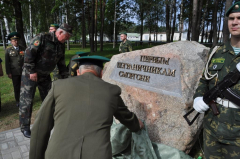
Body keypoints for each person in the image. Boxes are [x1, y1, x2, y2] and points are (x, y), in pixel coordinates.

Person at [29, 55, 144, 159]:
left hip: (58, 154)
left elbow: (40, 128)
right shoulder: (111, 91)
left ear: (78, 72)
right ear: (101, 73)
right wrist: (137, 125)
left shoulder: (58, 86)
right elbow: (126, 117)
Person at [193, 2, 240, 158]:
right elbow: (204, 80)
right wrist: (198, 97)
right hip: (212, 128)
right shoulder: (217, 53)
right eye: (231, 18)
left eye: (239, 18)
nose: (235, 22)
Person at [19, 23, 72, 138]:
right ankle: (25, 127)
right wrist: (32, 71)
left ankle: (48, 121)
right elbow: (29, 54)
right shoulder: (43, 37)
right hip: (31, 74)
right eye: (67, 37)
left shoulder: (60, 45)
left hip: (45, 76)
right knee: (27, 100)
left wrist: (66, 78)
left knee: (48, 99)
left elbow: (61, 63)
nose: (67, 40)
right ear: (59, 32)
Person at [5, 32, 26, 107]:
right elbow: (7, 62)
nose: (16, 42)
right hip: (14, 72)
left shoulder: (23, 48)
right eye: (14, 40)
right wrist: (8, 72)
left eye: (17, 40)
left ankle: (24, 99)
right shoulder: (8, 50)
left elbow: (26, 59)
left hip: (23, 71)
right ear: (11, 41)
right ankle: (18, 100)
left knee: (23, 86)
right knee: (16, 87)